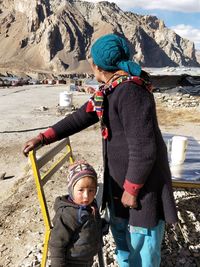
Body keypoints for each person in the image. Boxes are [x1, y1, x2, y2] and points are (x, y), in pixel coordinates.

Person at [23, 33, 178, 267]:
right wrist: (44, 137)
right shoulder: (109, 90)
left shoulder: (131, 92)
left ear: (97, 65)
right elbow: (80, 117)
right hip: (120, 189)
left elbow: (145, 149)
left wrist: (132, 189)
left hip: (142, 193)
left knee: (143, 254)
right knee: (125, 249)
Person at [49, 161, 102, 267]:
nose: (86, 196)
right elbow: (57, 244)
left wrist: (100, 226)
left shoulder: (90, 204)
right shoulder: (67, 214)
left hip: (86, 258)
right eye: (81, 190)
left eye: (91, 190)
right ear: (71, 190)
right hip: (73, 262)